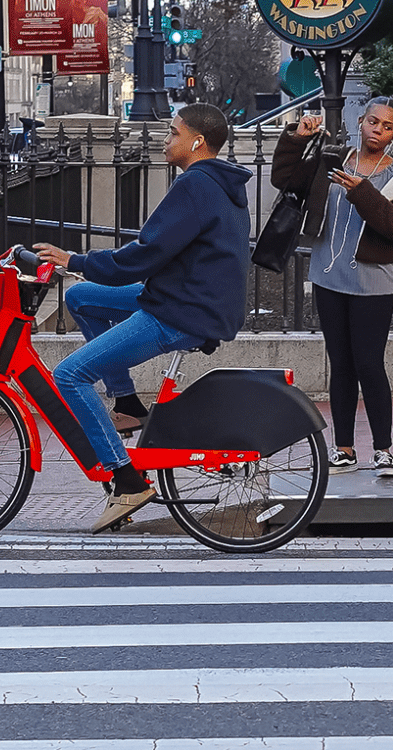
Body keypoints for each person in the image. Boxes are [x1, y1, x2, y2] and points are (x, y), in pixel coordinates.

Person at [30, 104, 251, 532]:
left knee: (69, 376)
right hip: (191, 296)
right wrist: (84, 271)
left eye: (173, 133)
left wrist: (76, 258)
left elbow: (145, 254)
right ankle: (127, 402)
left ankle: (125, 480)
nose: (165, 141)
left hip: (181, 310)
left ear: (197, 142)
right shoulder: (219, 184)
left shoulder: (195, 186)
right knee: (81, 299)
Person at [272, 98, 393, 477]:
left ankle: (384, 451)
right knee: (340, 364)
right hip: (328, 276)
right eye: (373, 121)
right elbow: (284, 180)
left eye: (387, 126)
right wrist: (295, 138)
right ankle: (344, 449)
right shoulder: (333, 160)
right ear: (361, 121)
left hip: (373, 284)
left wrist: (362, 192)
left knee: (369, 365)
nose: (378, 130)